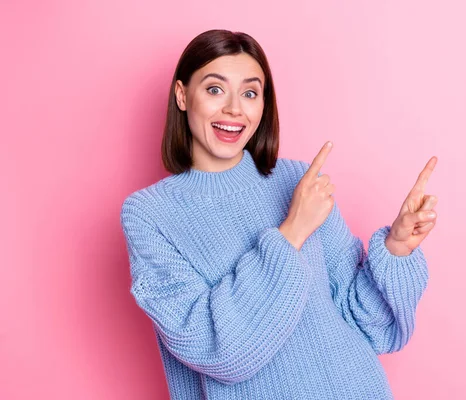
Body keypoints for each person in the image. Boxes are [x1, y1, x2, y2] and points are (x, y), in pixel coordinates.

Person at [120, 29, 438, 400]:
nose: (235, 109)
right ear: (182, 95)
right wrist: (291, 233)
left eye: (250, 93)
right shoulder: (148, 215)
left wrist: (397, 249)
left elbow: (367, 324)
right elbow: (216, 348)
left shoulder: (298, 182)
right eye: (215, 89)